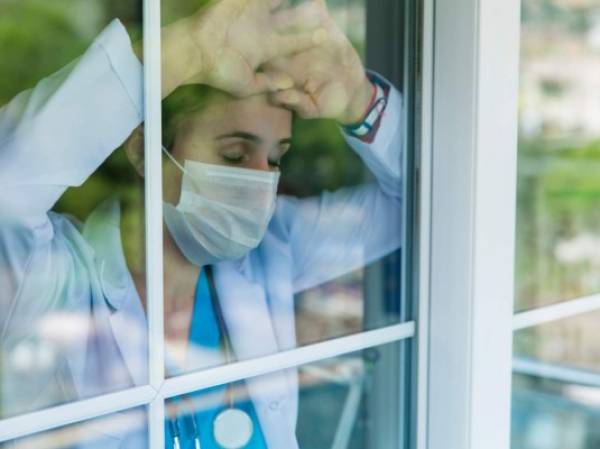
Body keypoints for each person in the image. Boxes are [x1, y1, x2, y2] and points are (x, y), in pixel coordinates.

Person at [0, 0, 402, 447]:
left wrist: (362, 103)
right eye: (233, 154)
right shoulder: (54, 278)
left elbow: (424, 204)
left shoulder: (275, 246)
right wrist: (189, 50)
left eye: (275, 158)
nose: (260, 182)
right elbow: (9, 181)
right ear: (144, 150)